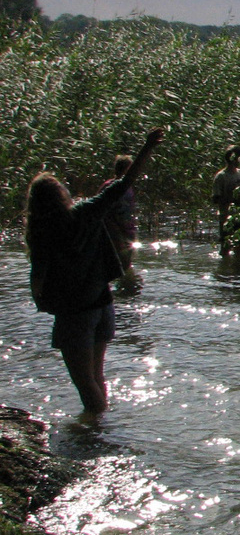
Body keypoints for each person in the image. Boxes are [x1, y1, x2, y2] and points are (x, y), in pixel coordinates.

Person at [26, 128, 165, 416]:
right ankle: (101, 426)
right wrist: (147, 146)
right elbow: (124, 182)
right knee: (96, 377)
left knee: (84, 382)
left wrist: (40, 301)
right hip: (102, 304)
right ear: (62, 195)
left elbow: (38, 277)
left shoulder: (42, 233)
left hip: (73, 311)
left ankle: (95, 435)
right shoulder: (86, 212)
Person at [212, 145, 240, 254]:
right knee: (225, 248)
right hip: (227, 217)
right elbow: (216, 198)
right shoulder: (221, 176)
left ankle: (238, 270)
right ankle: (224, 269)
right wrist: (233, 198)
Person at [101, 154, 139, 273]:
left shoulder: (128, 186)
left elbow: (130, 207)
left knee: (127, 259)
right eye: (130, 168)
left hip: (127, 227)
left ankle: (127, 281)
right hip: (114, 228)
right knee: (120, 259)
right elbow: (101, 207)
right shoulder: (109, 186)